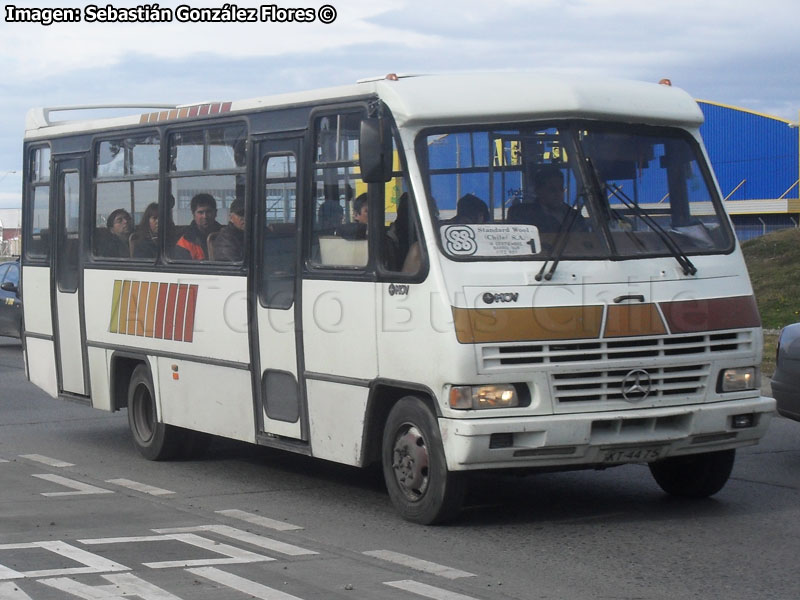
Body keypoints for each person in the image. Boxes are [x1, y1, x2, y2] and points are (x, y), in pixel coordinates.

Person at [508, 165, 587, 233]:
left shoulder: (574, 216)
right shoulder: (524, 215)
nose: (558, 194)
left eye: (560, 189)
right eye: (552, 190)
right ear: (538, 191)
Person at [173, 193, 221, 260]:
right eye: (200, 212)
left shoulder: (226, 236)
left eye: (208, 211)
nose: (205, 216)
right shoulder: (185, 243)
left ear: (215, 213)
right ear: (193, 215)